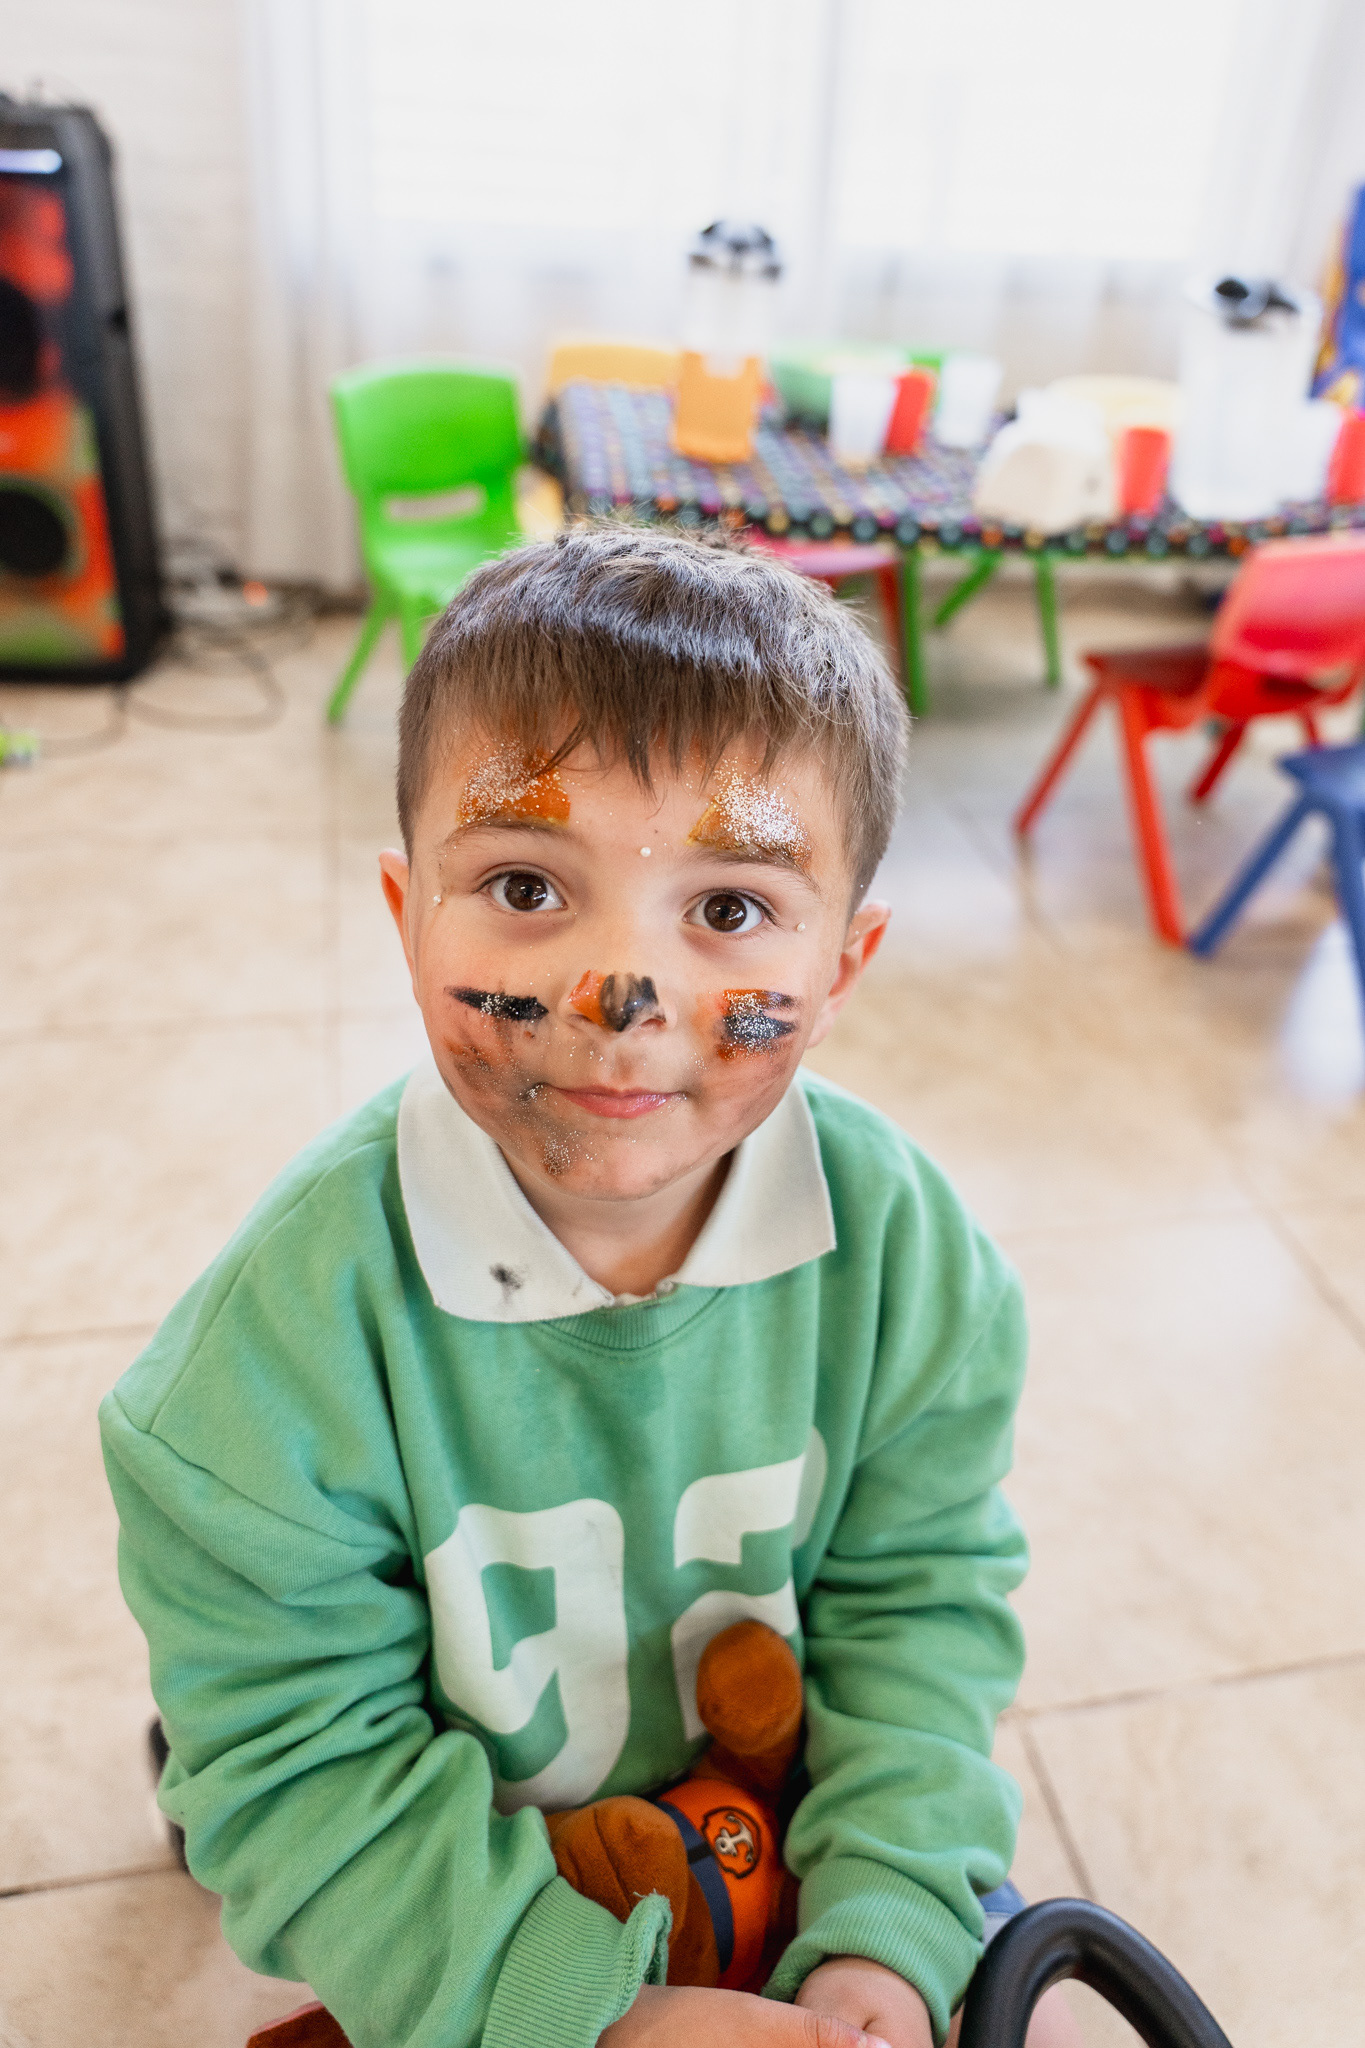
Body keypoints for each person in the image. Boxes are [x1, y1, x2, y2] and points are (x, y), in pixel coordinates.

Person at [101, 529, 1077, 2048]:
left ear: (846, 962)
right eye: (520, 884)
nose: (619, 1003)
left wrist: (880, 1931)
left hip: (743, 1823)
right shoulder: (253, 1378)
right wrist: (586, 2016)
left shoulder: (910, 1266)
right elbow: (300, 1773)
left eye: (731, 909)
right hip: (484, 1869)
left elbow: (919, 1607)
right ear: (405, 911)